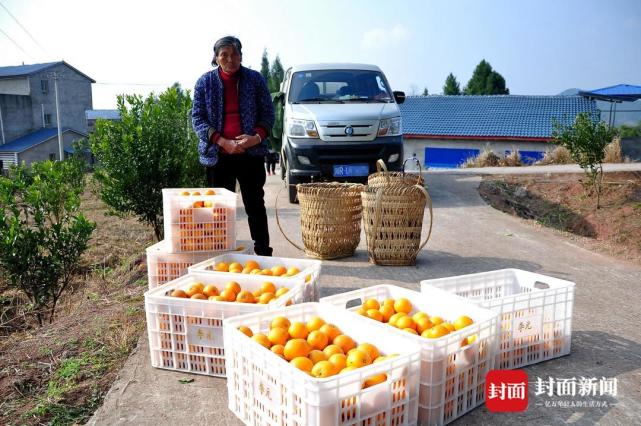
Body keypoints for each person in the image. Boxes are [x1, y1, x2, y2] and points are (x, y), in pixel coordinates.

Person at [192, 36, 275, 256]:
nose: (230, 59)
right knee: (219, 210)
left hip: (251, 153)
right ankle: (222, 255)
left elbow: (268, 114)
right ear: (216, 58)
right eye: (224, 54)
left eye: (234, 53)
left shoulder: (255, 80)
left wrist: (255, 138)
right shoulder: (204, 83)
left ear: (241, 55)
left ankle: (263, 252)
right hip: (218, 156)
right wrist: (222, 141)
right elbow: (197, 119)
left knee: (255, 205)